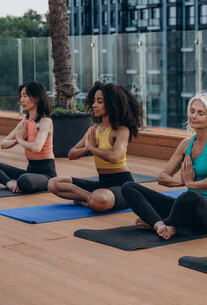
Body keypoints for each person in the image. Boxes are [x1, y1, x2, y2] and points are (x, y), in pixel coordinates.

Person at [121, 93, 207, 240]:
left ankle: (167, 224)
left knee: (190, 196)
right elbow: (162, 177)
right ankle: (160, 225)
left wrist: (190, 183)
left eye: (200, 113)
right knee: (129, 187)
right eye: (192, 111)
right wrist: (181, 182)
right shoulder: (186, 144)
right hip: (185, 208)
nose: (194, 116)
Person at [47, 82, 142, 212]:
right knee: (54, 183)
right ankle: (89, 200)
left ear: (112, 104)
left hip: (122, 185)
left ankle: (86, 200)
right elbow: (71, 154)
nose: (94, 105)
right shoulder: (95, 129)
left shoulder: (121, 130)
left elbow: (114, 157)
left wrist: (92, 149)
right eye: (94, 101)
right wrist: (86, 148)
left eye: (99, 102)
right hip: (102, 183)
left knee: (99, 200)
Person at [0, 81, 56, 193]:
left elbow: (36, 148)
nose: (21, 100)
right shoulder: (24, 123)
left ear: (37, 97)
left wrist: (20, 140)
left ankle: (19, 183)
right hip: (30, 171)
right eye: (21, 96)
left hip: (46, 175)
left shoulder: (45, 121)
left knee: (24, 180)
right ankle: (10, 183)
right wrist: (17, 139)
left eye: (25, 96)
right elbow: (3, 144)